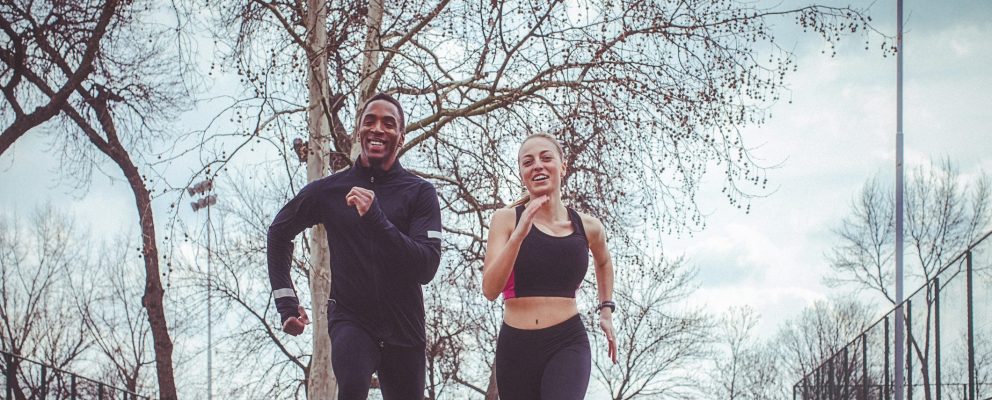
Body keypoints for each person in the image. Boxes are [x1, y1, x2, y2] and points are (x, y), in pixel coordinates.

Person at [267, 93, 443, 400]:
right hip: (351, 319)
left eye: (388, 123)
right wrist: (286, 303)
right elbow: (279, 233)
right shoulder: (329, 190)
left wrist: (376, 219)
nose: (377, 128)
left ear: (401, 137)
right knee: (350, 387)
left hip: (405, 326)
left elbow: (426, 266)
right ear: (359, 131)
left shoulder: (419, 193)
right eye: (369, 121)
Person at [482, 133, 617, 400]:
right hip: (516, 348)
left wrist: (606, 310)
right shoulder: (505, 220)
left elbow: (603, 261)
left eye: (546, 158)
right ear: (522, 173)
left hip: (567, 342)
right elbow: (490, 289)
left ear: (562, 166)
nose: (538, 166)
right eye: (528, 162)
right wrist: (519, 235)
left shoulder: (588, 227)